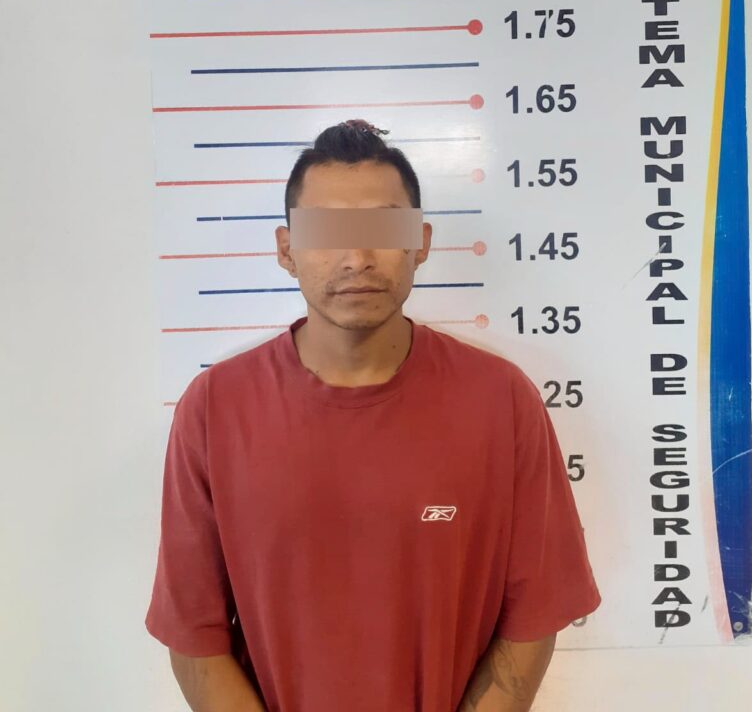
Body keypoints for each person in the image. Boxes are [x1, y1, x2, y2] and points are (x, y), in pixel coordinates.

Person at [145, 119, 601, 711]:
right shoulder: (213, 409)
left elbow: (534, 616)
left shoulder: (503, 401)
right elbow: (194, 635)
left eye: (382, 230)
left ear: (421, 242)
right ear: (286, 250)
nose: (357, 258)